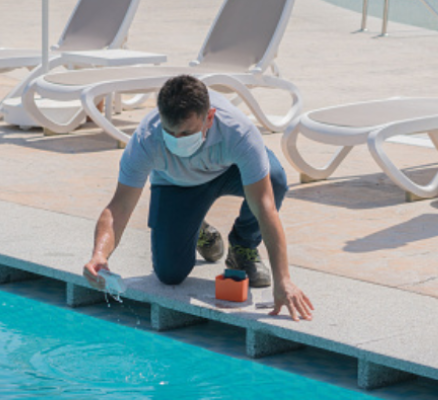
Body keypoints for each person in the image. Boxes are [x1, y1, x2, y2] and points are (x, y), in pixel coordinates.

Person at [83, 75, 313, 321]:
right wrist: (100, 254)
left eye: (186, 132)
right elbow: (119, 206)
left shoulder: (239, 132)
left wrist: (283, 280)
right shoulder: (145, 140)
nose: (177, 140)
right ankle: (196, 229)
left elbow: (265, 207)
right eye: (170, 132)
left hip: (228, 172)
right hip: (176, 185)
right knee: (170, 274)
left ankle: (243, 247)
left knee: (275, 179)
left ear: (209, 118)